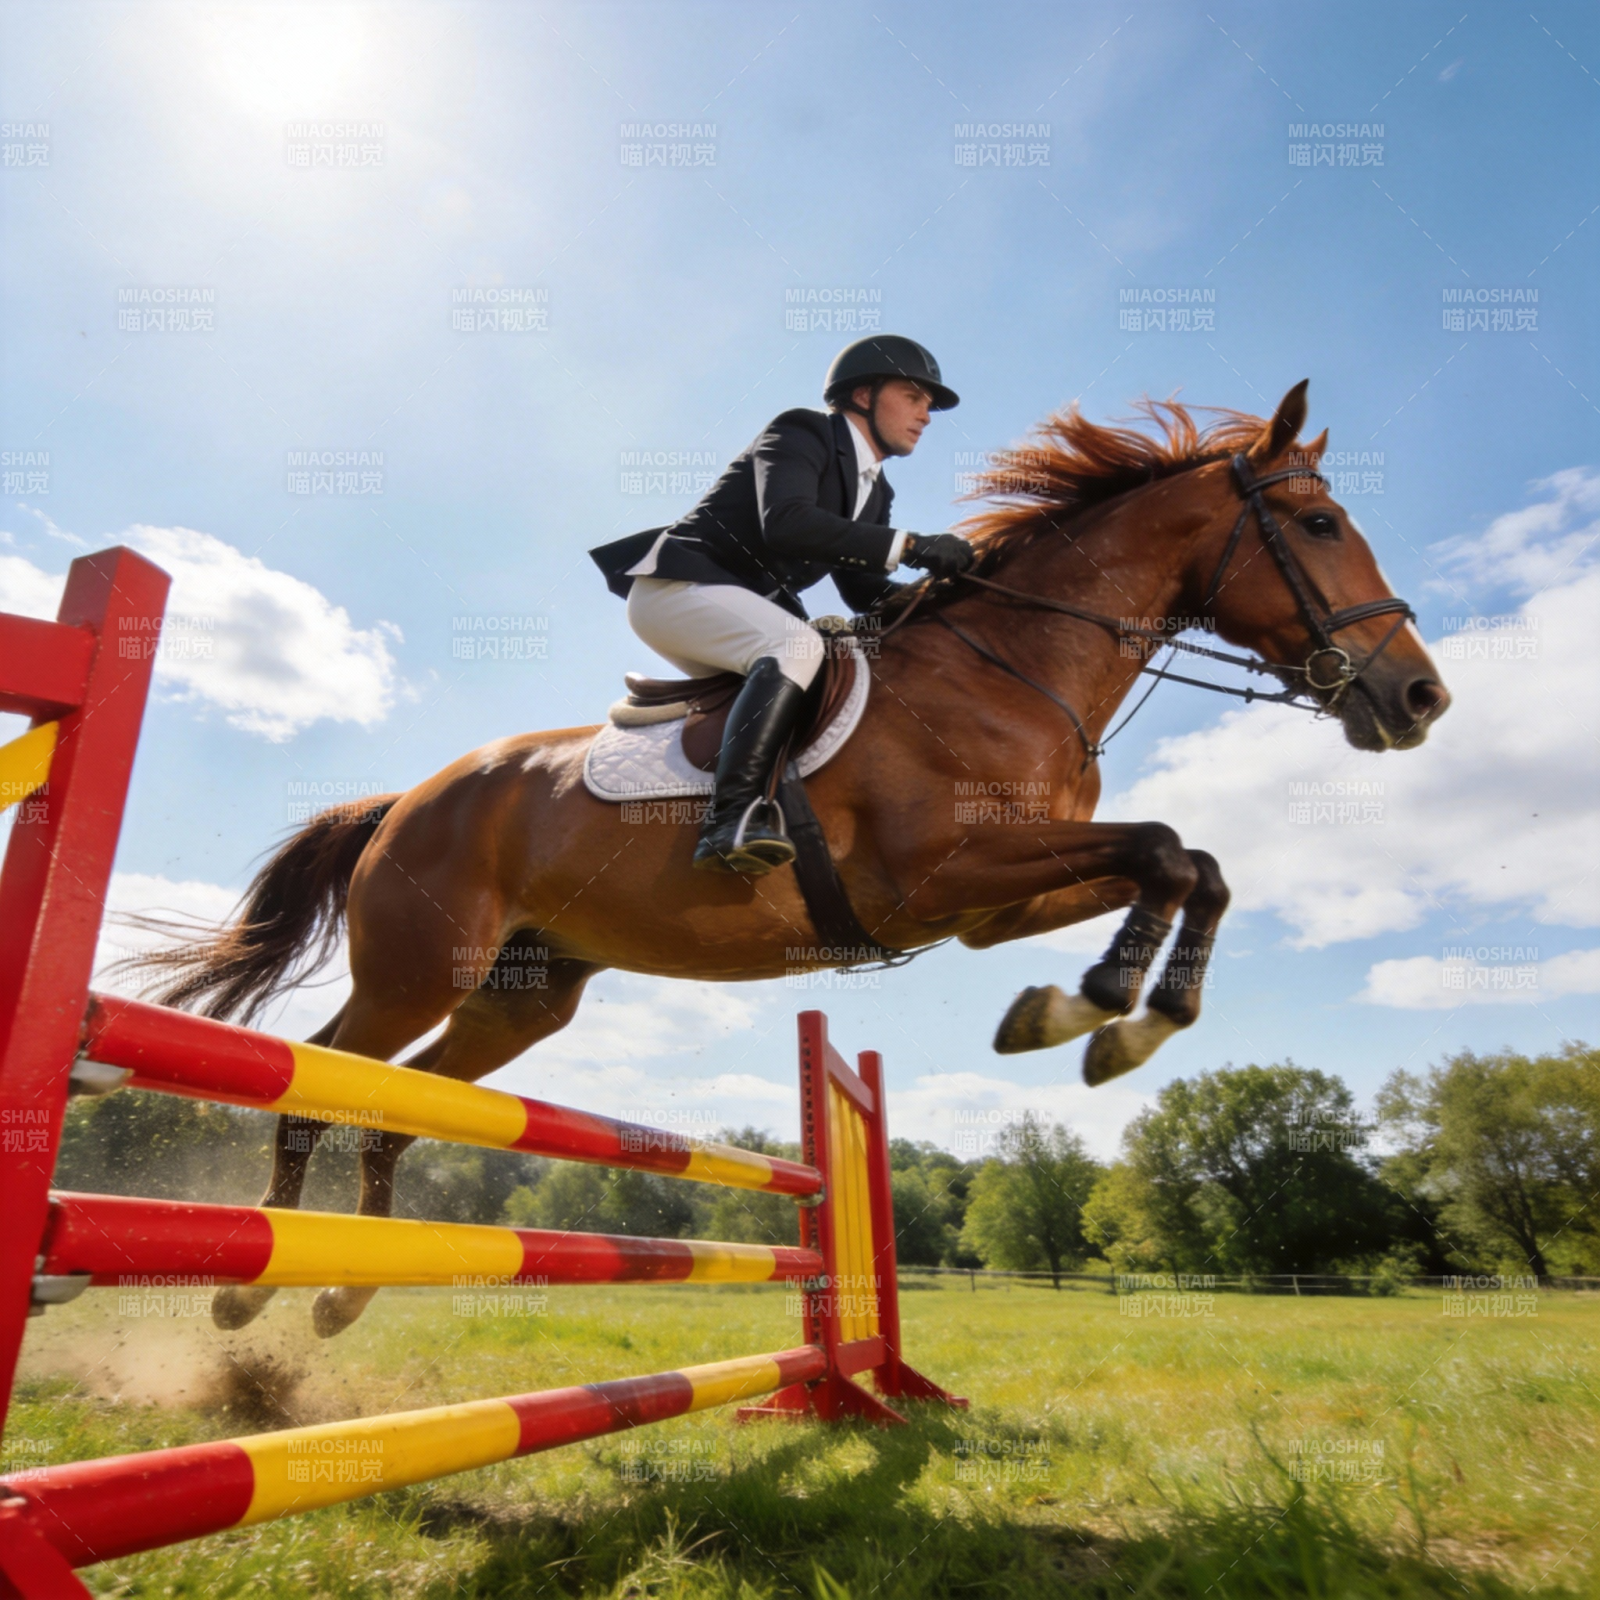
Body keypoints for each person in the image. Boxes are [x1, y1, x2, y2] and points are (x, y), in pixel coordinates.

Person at [590, 334, 975, 875]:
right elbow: (787, 521)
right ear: (863, 394)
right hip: (679, 588)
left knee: (841, 666)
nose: (926, 414)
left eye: (929, 404)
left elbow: (861, 591)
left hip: (738, 603)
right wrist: (912, 546)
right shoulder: (803, 430)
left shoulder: (876, 491)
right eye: (914, 396)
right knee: (798, 644)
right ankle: (732, 820)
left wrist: (951, 595)